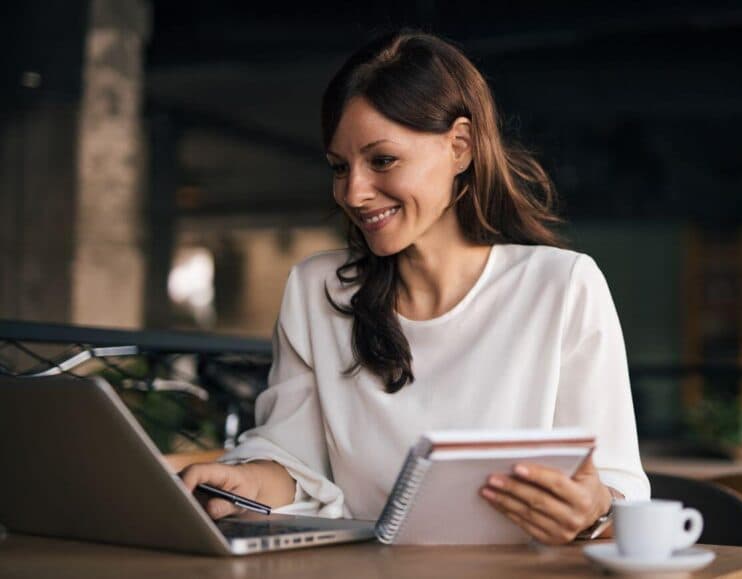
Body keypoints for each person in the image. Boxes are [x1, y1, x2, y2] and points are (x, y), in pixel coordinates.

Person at [180, 30, 649, 545]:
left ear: (460, 146)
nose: (354, 193)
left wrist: (594, 510)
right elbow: (295, 460)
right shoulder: (317, 289)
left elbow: (617, 487)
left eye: (382, 160)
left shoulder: (561, 286)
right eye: (340, 167)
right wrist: (243, 481)